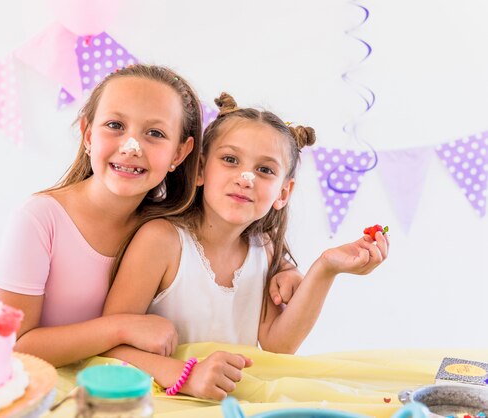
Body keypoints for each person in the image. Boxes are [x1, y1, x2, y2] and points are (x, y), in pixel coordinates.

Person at [102, 92, 390, 400]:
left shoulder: (262, 250)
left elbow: (280, 345)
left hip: (233, 400)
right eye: (230, 160)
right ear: (199, 170)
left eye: (265, 170)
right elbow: (107, 343)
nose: (246, 178)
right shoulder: (161, 241)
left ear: (283, 192)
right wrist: (186, 377)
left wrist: (325, 268)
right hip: (166, 397)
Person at [0, 64, 204, 367]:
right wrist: (121, 327)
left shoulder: (166, 232)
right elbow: (11, 348)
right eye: (116, 125)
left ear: (179, 154)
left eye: (155, 133)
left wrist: (284, 270)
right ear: (88, 134)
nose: (132, 147)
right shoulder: (38, 219)